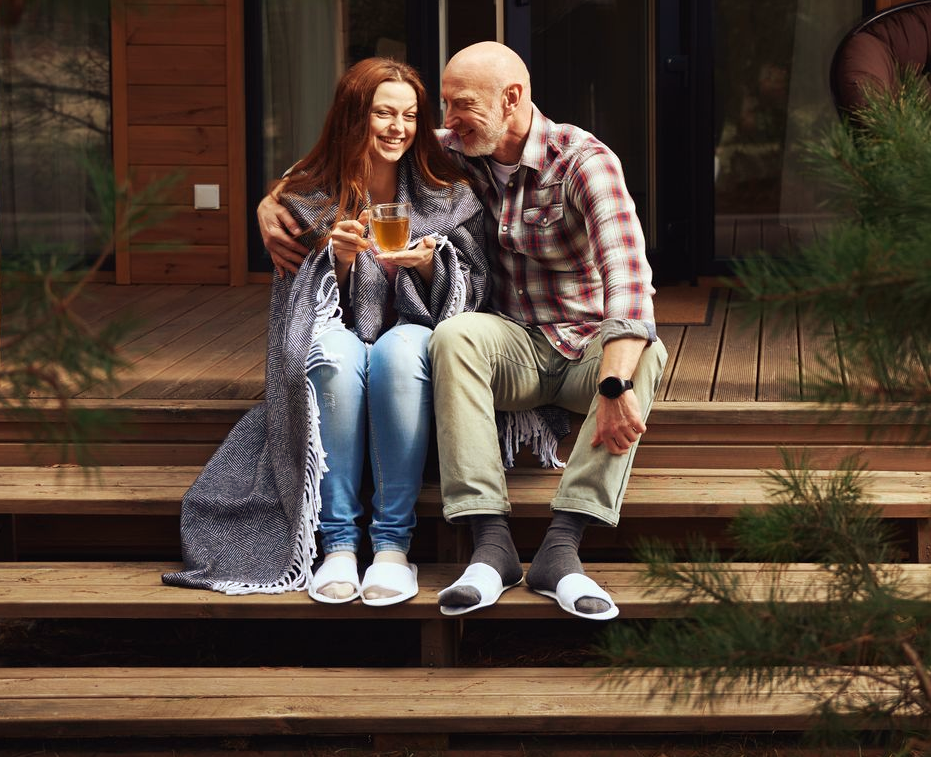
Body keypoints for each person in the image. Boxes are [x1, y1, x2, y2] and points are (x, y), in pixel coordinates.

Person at [260, 41, 666, 621]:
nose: (444, 122)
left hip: (585, 344)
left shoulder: (583, 161)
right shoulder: (460, 145)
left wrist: (613, 386)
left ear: (512, 99)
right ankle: (490, 543)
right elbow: (346, 152)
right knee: (450, 336)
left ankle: (564, 544)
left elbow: (630, 284)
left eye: (460, 106)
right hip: (515, 341)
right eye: (443, 106)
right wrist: (269, 202)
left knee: (643, 353)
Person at [166, 58, 489, 607]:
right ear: (352, 115)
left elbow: (473, 285)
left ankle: (391, 546)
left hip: (410, 336)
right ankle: (338, 543)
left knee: (400, 349)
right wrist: (335, 261)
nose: (398, 128)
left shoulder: (445, 188)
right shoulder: (308, 194)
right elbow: (298, 308)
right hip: (337, 338)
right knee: (335, 352)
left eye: (410, 115)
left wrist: (430, 263)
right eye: (383, 113)